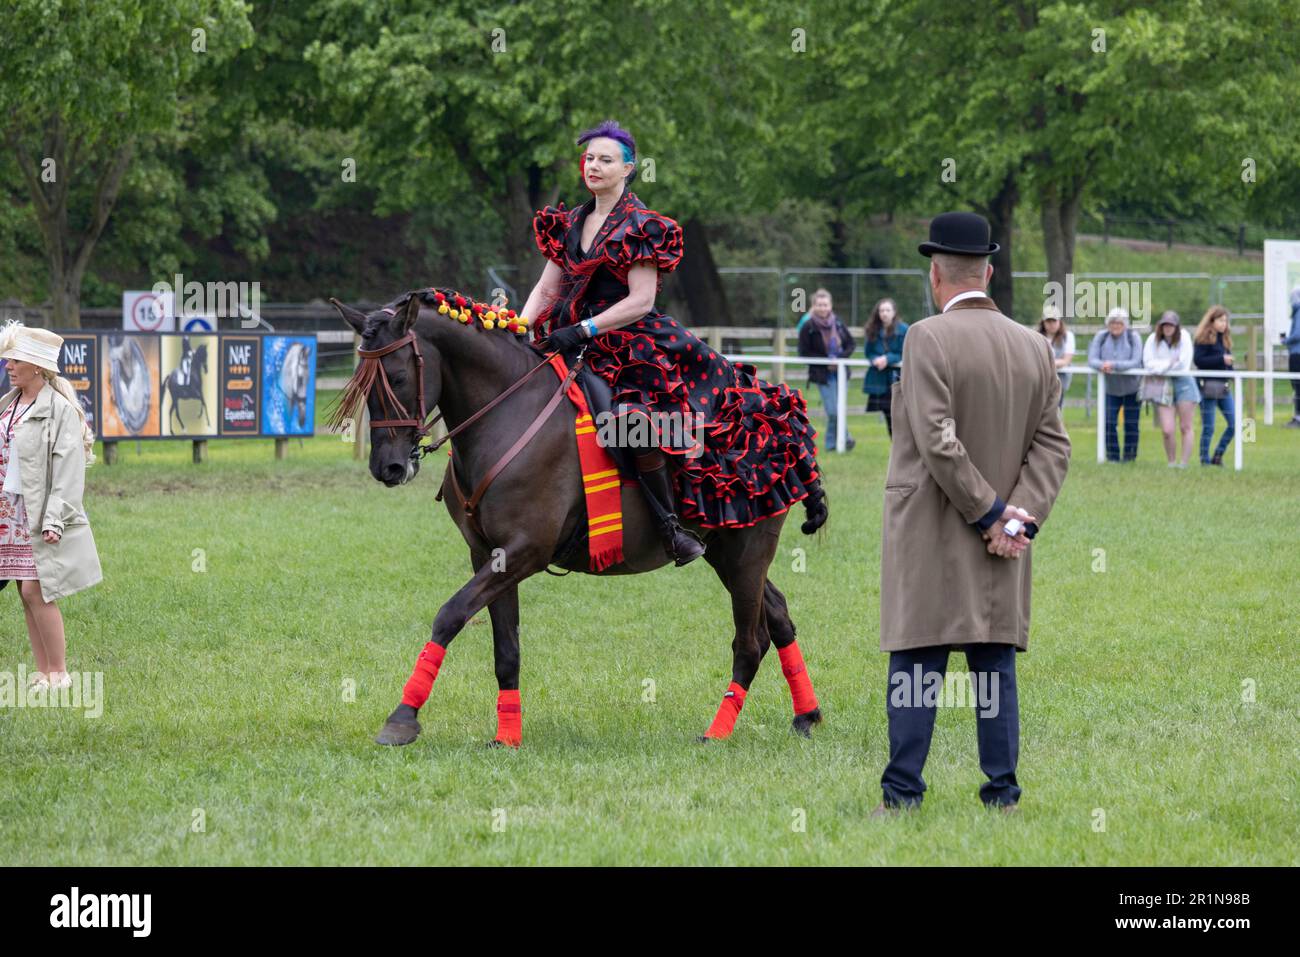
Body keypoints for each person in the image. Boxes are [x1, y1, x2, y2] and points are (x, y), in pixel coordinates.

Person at [522, 120, 826, 563]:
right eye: (589, 158)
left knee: (632, 421)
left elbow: (641, 301)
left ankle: (669, 527)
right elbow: (548, 289)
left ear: (628, 168)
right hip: (570, 339)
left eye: (605, 159)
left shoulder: (642, 225)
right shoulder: (569, 222)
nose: (594, 166)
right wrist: (519, 324)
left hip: (633, 346)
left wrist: (585, 329)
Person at [873, 212, 1071, 816]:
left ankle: (903, 793)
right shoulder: (1035, 346)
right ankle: (1002, 794)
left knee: (916, 659)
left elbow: (935, 438)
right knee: (993, 665)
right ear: (988, 270)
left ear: (936, 274)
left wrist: (988, 514)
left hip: (934, 528)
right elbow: (1053, 445)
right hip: (1002, 538)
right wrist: (1019, 520)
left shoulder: (924, 337)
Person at [0, 323, 103, 691]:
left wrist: (55, 518)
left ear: (38, 367)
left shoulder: (59, 410)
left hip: (39, 513)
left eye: (16, 359)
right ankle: (44, 672)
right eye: (9, 359)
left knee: (36, 590)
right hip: (9, 514)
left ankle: (59, 672)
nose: (9, 365)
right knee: (23, 592)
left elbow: (67, 468)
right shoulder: (9, 404)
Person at [797, 288, 856, 452]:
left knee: (838, 410)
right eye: (819, 305)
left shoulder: (838, 323)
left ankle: (831, 444)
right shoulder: (808, 326)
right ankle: (846, 437)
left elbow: (851, 344)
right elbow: (803, 352)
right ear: (814, 306)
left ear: (830, 305)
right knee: (833, 411)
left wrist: (841, 358)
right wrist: (825, 362)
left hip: (841, 372)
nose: (823, 308)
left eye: (825, 305)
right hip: (823, 374)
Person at [1143, 310, 1201, 468]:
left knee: (1185, 426)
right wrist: (1168, 364)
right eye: (1165, 325)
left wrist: (1161, 365)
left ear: (1176, 327)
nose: (1168, 328)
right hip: (1162, 383)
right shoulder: (1151, 340)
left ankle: (1184, 463)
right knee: (1167, 429)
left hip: (1184, 383)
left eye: (1171, 325)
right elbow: (1149, 364)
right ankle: (1171, 461)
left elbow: (1182, 364)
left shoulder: (1185, 338)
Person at [1088, 306, 1144, 462]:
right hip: (1110, 389)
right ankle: (1112, 456)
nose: (1115, 326)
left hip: (1132, 389)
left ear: (1125, 324)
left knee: (1131, 424)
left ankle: (1129, 457)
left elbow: (1135, 361)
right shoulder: (1101, 336)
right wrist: (1102, 365)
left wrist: (1112, 365)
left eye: (1119, 323)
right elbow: (1092, 359)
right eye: (1113, 323)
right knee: (1109, 422)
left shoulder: (1134, 337)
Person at [1193, 305, 1235, 466]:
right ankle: (1204, 460)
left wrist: (1232, 371)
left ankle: (1218, 455)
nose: (1224, 324)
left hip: (1224, 388)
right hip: (1207, 387)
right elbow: (1199, 361)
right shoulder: (1202, 339)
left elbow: (1228, 362)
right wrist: (1221, 360)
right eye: (1220, 320)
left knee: (1234, 424)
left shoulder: (1225, 339)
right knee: (1208, 427)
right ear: (1211, 321)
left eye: (1225, 320)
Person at [861, 297, 907, 437]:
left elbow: (905, 351)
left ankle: (903, 446)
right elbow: (868, 352)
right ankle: (895, 446)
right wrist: (875, 359)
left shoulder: (904, 329)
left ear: (894, 312)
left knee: (900, 414)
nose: (884, 313)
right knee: (888, 413)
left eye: (887, 310)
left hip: (898, 377)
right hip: (880, 379)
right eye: (882, 310)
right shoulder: (872, 329)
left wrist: (888, 359)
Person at [1038, 304, 1074, 409]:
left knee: (1056, 409)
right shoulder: (1036, 337)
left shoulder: (1068, 337)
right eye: (1048, 321)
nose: (1051, 324)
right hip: (1041, 380)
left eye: (1054, 321)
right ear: (1043, 322)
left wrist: (1046, 363)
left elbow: (1066, 360)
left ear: (1059, 322)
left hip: (1060, 380)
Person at [1285, 286, 1300, 428]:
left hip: (1297, 354)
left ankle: (1298, 418)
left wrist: (1286, 341)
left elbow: (1297, 334)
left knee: (1297, 386)